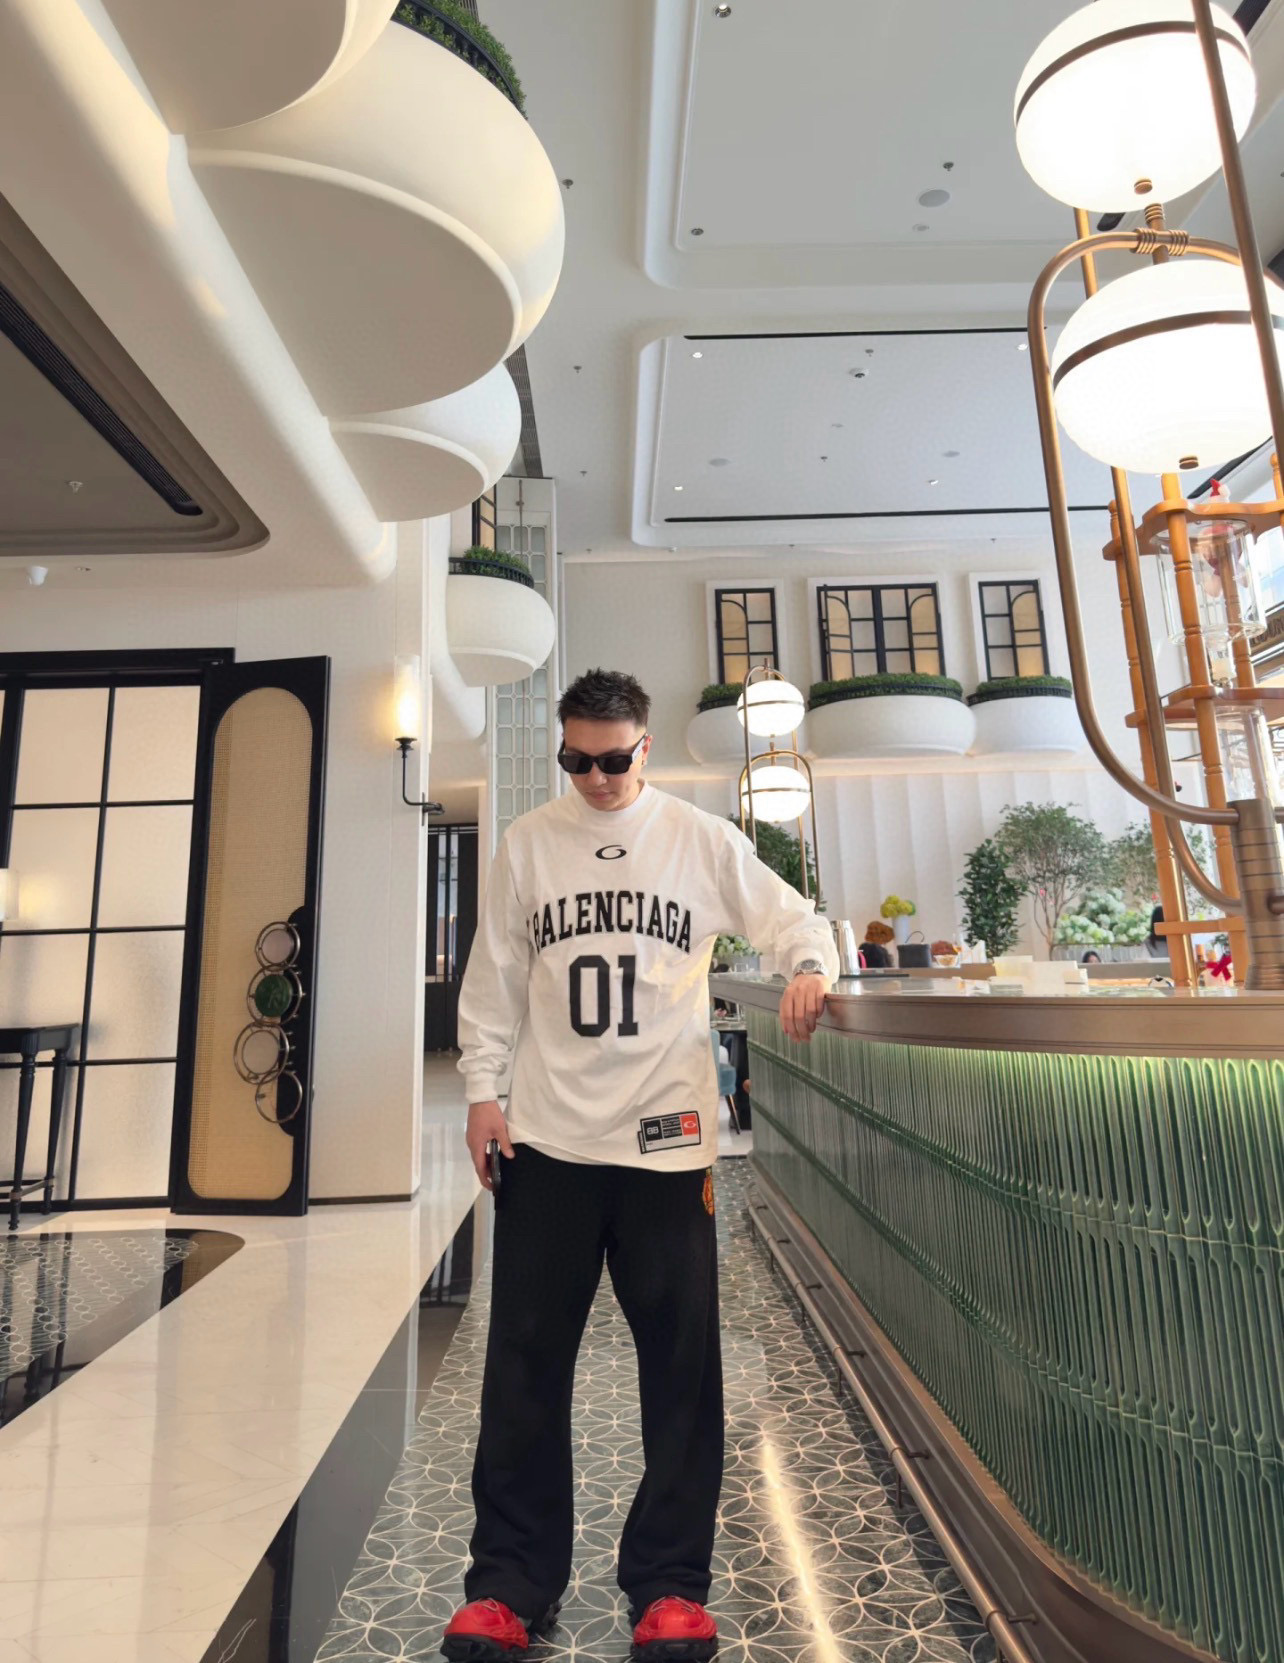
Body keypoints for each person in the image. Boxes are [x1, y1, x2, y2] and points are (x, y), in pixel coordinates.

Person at [442, 669, 837, 1663]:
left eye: (613, 760)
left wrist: (810, 967)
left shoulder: (698, 839)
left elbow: (793, 918)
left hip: (667, 1144)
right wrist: (482, 1091)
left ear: (644, 748)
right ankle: (509, 1584)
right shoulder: (529, 843)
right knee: (524, 1367)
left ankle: (669, 1585)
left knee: (681, 1372)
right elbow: (494, 978)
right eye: (576, 761)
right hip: (548, 1142)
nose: (597, 778)